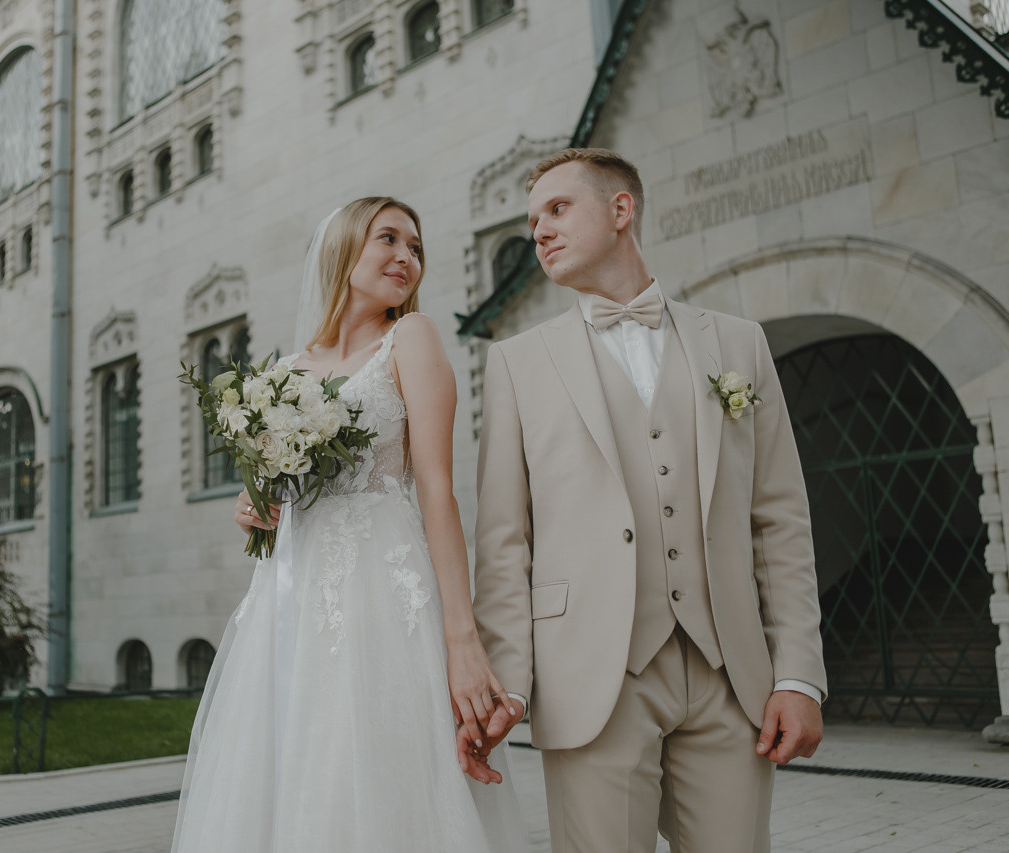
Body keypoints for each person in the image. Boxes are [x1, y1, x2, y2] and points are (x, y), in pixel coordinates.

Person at [464, 148, 828, 852]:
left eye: (558, 209)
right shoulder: (516, 363)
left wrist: (800, 676)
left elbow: (779, 519)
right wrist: (510, 684)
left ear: (621, 210)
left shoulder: (739, 345)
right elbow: (504, 543)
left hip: (731, 674)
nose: (538, 230)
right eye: (532, 218)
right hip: (592, 680)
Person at [171, 197, 526, 852]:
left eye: (416, 247)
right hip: (287, 604)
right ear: (342, 250)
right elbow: (272, 492)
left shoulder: (411, 339)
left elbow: (439, 491)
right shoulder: (282, 373)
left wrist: (462, 638)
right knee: (287, 775)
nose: (406, 257)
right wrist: (253, 505)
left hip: (381, 599)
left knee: (379, 773)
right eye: (388, 238)